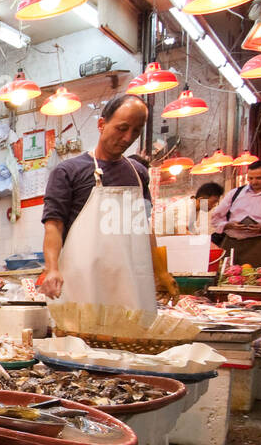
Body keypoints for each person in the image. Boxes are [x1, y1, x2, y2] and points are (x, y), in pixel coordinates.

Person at [41, 94, 177, 301]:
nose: (127, 138)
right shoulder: (68, 171)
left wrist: (160, 271)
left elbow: (144, 227)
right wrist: (51, 269)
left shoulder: (138, 173)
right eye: (122, 128)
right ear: (101, 124)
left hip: (130, 283)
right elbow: (54, 226)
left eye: (136, 131)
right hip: (84, 283)